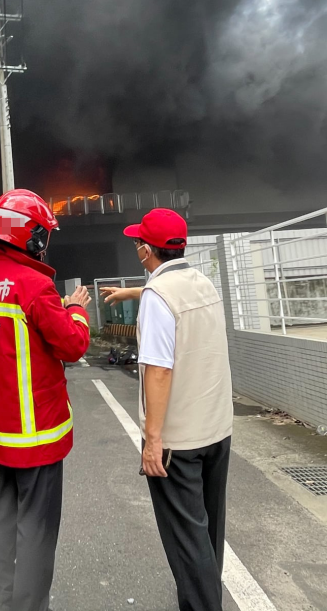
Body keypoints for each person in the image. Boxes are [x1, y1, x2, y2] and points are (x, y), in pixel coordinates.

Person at [0, 189, 92, 611]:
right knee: (37, 527)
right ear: (30, 236)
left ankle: (4, 599)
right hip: (36, 433)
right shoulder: (35, 286)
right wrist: (76, 310)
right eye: (42, 235)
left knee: (5, 512)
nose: (44, 243)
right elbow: (72, 345)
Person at [111, 208, 233, 611]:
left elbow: (159, 371)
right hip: (217, 430)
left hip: (179, 442)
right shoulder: (202, 282)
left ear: (146, 250)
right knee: (208, 532)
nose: (136, 248)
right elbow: (167, 295)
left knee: (186, 539)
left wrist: (153, 441)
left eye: (137, 243)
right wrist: (133, 293)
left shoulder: (158, 298)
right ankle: (204, 598)